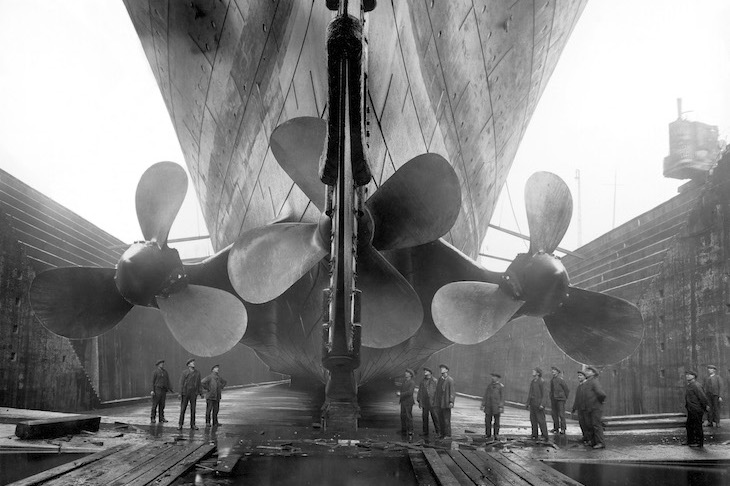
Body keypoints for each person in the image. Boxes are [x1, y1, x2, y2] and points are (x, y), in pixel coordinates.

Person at [584, 366, 607, 449]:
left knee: (596, 425)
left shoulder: (594, 381)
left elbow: (601, 394)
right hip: (590, 408)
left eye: (589, 371)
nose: (586, 372)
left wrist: (599, 403)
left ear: (594, 373)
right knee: (590, 425)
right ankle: (593, 442)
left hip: (595, 408)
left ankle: (601, 443)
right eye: (586, 370)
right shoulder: (588, 382)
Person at [685, 370, 709, 447]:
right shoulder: (690, 385)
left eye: (690, 375)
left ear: (694, 376)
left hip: (696, 409)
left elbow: (702, 397)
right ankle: (691, 441)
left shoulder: (696, 385)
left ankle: (699, 442)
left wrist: (705, 406)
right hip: (691, 409)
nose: (687, 376)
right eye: (687, 374)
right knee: (689, 425)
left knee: (697, 426)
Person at [178, 358, 202, 430]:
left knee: (193, 409)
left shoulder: (197, 373)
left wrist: (201, 393)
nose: (193, 363)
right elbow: (181, 383)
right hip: (185, 393)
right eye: (191, 362)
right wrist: (180, 393)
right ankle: (180, 424)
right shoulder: (184, 372)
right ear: (188, 365)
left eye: (193, 362)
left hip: (193, 393)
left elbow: (199, 384)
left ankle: (193, 425)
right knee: (183, 409)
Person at [526, 367, 549, 441]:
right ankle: (534, 434)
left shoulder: (542, 381)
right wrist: (528, 403)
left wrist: (542, 404)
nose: (532, 372)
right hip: (533, 404)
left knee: (541, 420)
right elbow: (530, 393)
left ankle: (545, 435)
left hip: (539, 405)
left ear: (538, 373)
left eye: (534, 371)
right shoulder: (533, 381)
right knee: (533, 420)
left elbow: (545, 394)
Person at [480, 372, 504, 440]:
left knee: (496, 422)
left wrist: (501, 407)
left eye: (494, 376)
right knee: (487, 421)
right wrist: (483, 404)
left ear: (497, 378)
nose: (492, 378)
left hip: (496, 407)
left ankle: (496, 435)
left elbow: (502, 398)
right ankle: (488, 434)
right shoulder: (489, 386)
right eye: (492, 376)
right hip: (488, 406)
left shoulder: (500, 387)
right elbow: (485, 395)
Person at [434, 364, 455, 439]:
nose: (441, 370)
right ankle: (442, 434)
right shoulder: (440, 379)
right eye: (441, 368)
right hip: (440, 403)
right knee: (441, 419)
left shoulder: (450, 380)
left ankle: (448, 435)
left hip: (446, 403)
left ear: (446, 370)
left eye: (443, 368)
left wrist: (451, 401)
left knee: (446, 420)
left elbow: (452, 392)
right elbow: (437, 391)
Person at [417, 367, 439, 437]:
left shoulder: (435, 381)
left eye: (426, 371)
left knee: (435, 417)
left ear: (430, 372)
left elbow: (438, 393)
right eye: (425, 371)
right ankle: (425, 432)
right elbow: (420, 391)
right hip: (425, 402)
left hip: (432, 402)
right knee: (424, 417)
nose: (425, 372)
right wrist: (419, 400)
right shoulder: (422, 381)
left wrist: (436, 402)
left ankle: (438, 432)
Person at [150, 359, 172, 424]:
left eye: (162, 363)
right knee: (155, 405)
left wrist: (170, 388)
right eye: (161, 363)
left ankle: (161, 418)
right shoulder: (155, 372)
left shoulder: (165, 372)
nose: (162, 364)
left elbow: (167, 381)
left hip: (163, 390)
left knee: (162, 405)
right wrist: (152, 390)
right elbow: (152, 382)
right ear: (158, 365)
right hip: (157, 390)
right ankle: (153, 418)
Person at [571, 370, 590, 445]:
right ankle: (585, 437)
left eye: (580, 375)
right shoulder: (579, 386)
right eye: (578, 375)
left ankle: (589, 439)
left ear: (585, 377)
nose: (579, 377)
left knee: (587, 424)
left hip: (586, 408)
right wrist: (574, 408)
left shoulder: (587, 386)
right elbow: (577, 398)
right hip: (580, 408)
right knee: (582, 423)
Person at [550, 366, 570, 434]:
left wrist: (564, 398)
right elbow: (551, 390)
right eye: (552, 370)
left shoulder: (561, 380)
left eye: (554, 370)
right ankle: (556, 428)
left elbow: (566, 389)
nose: (553, 371)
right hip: (554, 399)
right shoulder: (552, 380)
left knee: (561, 414)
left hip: (560, 400)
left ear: (558, 372)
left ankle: (563, 429)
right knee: (554, 414)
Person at [398, 368, 416, 440]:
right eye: (406, 372)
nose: (405, 373)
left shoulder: (412, 382)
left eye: (407, 372)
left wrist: (401, 394)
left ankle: (410, 430)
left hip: (408, 402)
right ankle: (404, 430)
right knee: (402, 416)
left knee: (408, 416)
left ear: (410, 375)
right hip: (403, 401)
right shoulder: (405, 381)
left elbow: (410, 392)